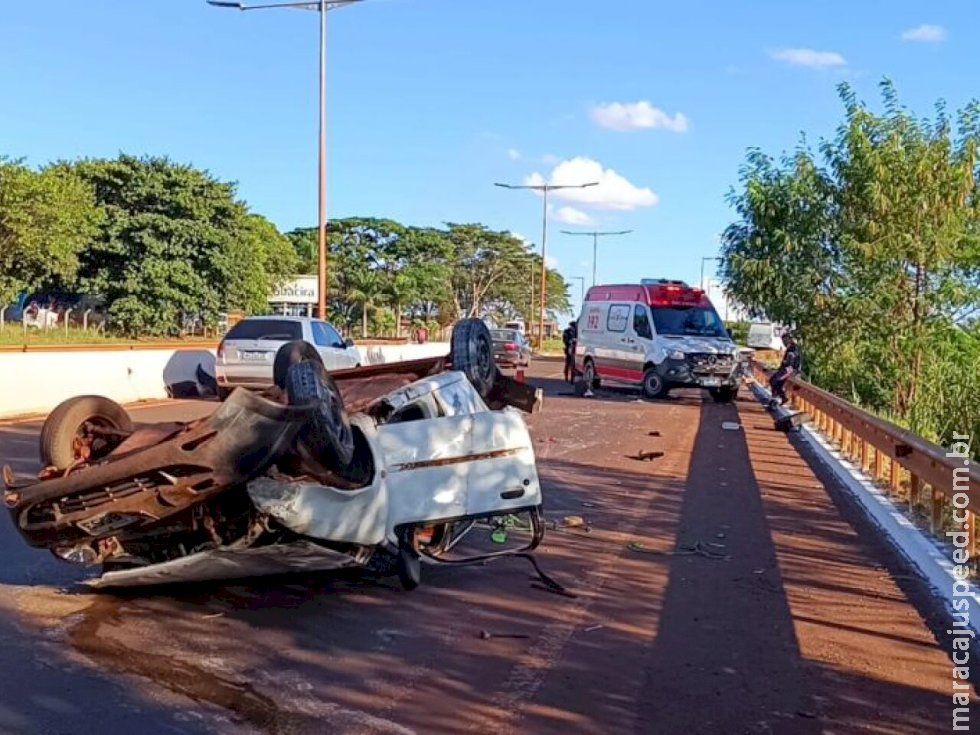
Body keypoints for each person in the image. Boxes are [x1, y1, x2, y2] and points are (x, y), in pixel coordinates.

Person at [770, 331, 801, 407]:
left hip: (790, 369)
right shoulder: (789, 347)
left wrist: (785, 362)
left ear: (789, 339)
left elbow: (790, 361)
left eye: (785, 340)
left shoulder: (793, 348)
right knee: (775, 381)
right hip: (786, 368)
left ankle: (775, 399)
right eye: (783, 341)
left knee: (775, 380)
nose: (784, 342)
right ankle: (782, 397)